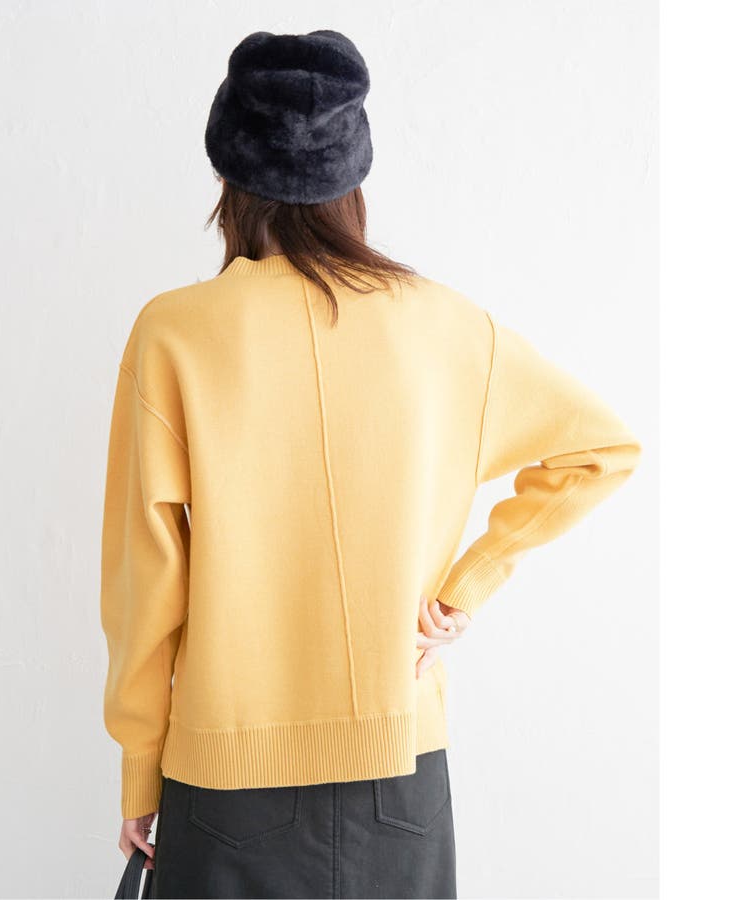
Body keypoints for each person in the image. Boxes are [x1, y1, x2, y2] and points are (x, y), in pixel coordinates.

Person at [99, 29, 642, 900]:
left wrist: (139, 768)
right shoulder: (445, 325)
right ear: (353, 179)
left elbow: (145, 581)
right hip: (401, 777)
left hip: (226, 779)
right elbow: (602, 448)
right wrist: (462, 590)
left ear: (230, 179)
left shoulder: (174, 333)